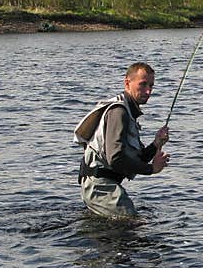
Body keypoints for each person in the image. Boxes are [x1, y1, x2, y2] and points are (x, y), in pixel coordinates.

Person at [73, 62, 170, 218]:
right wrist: (151, 169)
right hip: (101, 188)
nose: (148, 91)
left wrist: (156, 144)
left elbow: (131, 160)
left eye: (151, 86)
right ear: (127, 83)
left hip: (103, 187)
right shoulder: (119, 112)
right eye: (143, 84)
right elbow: (115, 158)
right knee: (133, 225)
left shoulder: (128, 112)